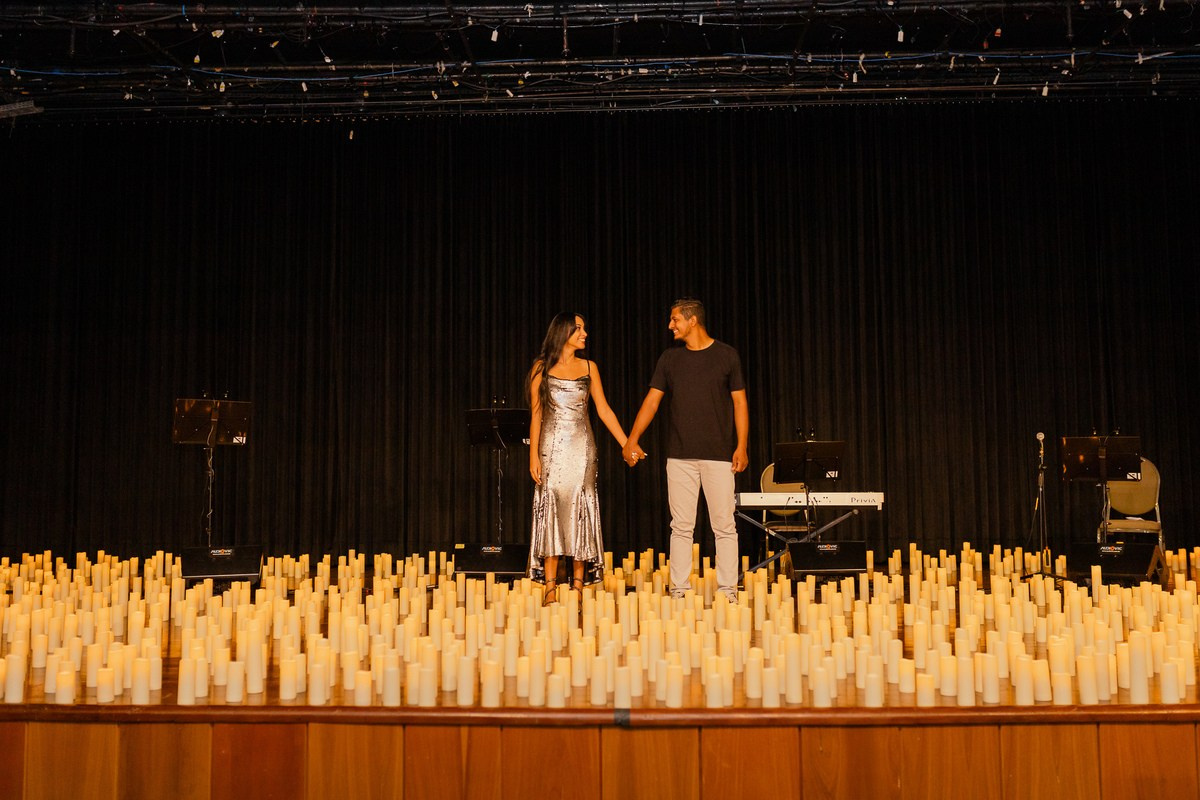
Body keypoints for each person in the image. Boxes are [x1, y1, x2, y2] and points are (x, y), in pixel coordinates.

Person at [622, 298, 749, 601]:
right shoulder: (669, 359)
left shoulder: (727, 356)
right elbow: (652, 401)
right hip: (679, 456)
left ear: (693, 321)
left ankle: (728, 588)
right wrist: (631, 439)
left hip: (719, 456)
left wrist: (741, 446)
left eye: (675, 319)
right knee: (680, 527)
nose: (670, 326)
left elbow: (740, 403)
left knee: (724, 525)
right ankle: (679, 588)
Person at [527, 312, 629, 604]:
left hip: (582, 447)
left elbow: (604, 410)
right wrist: (533, 455)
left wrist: (626, 444)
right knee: (551, 508)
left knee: (580, 507)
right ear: (563, 332)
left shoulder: (589, 367)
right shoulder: (541, 367)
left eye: (584, 328)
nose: (585, 333)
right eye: (579, 328)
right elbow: (536, 414)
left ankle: (578, 584)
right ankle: (549, 585)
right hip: (551, 448)